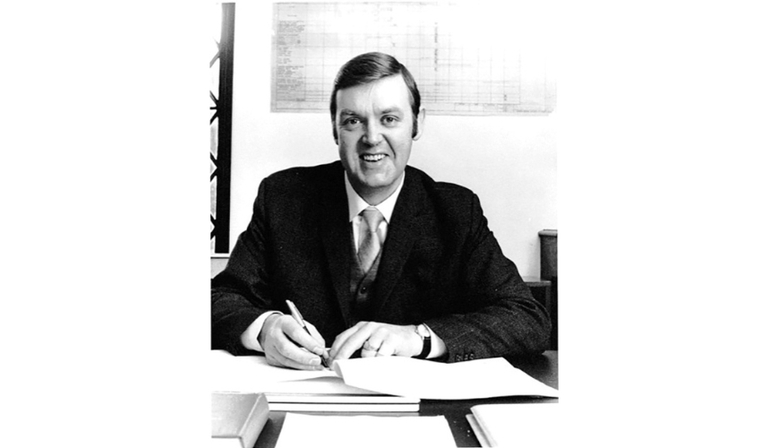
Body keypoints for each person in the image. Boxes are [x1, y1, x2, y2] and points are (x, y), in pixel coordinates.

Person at [211, 52, 550, 370]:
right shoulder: (284, 198)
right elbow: (219, 298)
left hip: (417, 411)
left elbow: (527, 318)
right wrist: (264, 328)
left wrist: (419, 337)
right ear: (334, 129)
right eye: (353, 121)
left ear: (416, 124)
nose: (372, 138)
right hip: (301, 400)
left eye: (389, 119)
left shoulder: (456, 211)